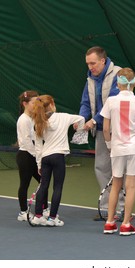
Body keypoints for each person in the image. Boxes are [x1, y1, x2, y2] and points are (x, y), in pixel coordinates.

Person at [75, 46, 125, 220]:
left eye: (93, 63)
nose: (90, 67)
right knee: (102, 168)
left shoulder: (119, 74)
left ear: (103, 61)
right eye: (88, 63)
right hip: (101, 132)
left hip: (118, 131)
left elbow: (112, 102)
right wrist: (81, 119)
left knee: (118, 170)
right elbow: (85, 102)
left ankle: (121, 209)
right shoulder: (90, 79)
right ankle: (106, 208)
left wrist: (94, 120)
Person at [100, 68, 135, 235]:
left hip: (117, 148)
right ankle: (126, 224)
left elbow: (106, 128)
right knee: (131, 187)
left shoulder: (110, 101)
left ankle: (109, 223)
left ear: (117, 83)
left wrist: (109, 143)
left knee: (116, 185)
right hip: (134, 148)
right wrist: (134, 135)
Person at [30, 95, 85, 226]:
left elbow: (38, 146)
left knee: (43, 185)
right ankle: (52, 218)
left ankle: (38, 216)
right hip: (58, 157)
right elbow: (81, 118)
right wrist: (79, 130)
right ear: (52, 104)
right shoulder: (64, 117)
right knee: (57, 187)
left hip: (45, 157)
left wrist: (39, 164)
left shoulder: (38, 122)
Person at [16, 90, 49, 221]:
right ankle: (23, 212)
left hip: (35, 155)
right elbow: (26, 142)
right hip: (25, 156)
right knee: (24, 184)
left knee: (43, 182)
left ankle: (44, 209)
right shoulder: (23, 120)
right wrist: (38, 156)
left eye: (37, 101)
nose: (36, 104)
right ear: (25, 104)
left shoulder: (34, 117)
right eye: (33, 102)